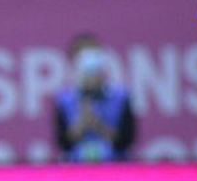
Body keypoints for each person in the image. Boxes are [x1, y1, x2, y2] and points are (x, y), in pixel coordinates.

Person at [53, 34, 136, 162]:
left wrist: (98, 125)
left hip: (115, 166)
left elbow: (126, 141)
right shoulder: (64, 101)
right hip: (76, 166)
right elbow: (63, 144)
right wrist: (82, 124)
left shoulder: (121, 97)